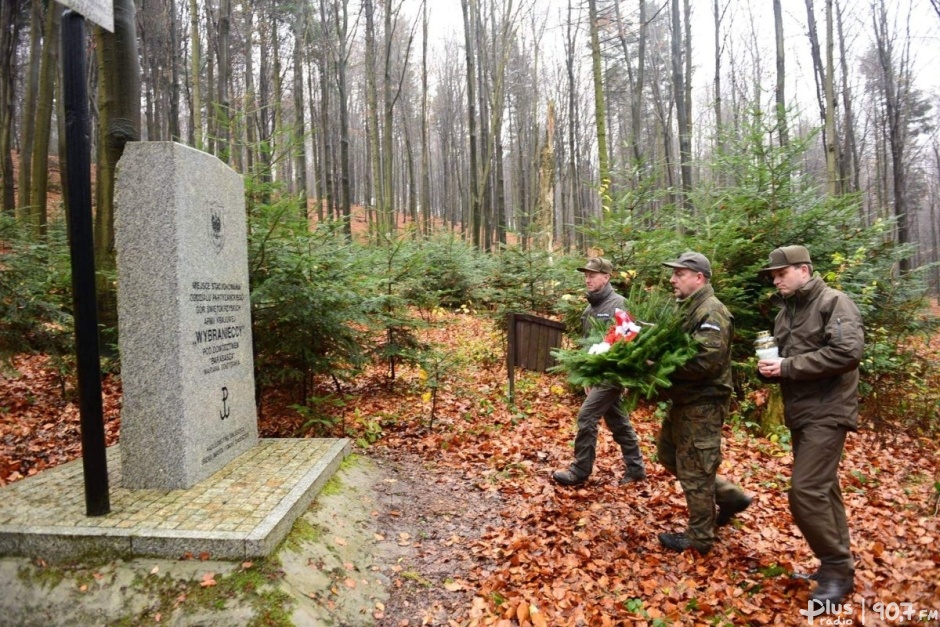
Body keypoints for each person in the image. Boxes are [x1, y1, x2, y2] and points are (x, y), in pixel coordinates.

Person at [757, 245, 863, 606]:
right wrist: (773, 370)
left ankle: (837, 572)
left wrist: (787, 367)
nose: (775, 279)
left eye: (780, 273)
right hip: (801, 411)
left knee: (805, 492)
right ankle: (840, 562)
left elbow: (847, 353)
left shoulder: (833, 302)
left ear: (803, 270)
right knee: (824, 488)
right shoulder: (786, 313)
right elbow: (792, 360)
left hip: (828, 409)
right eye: (773, 275)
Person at [656, 252, 752, 555]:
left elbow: (704, 362)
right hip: (684, 399)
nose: (673, 279)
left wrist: (657, 366)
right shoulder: (689, 308)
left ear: (699, 278)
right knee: (669, 455)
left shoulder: (711, 311)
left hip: (703, 403)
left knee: (696, 468)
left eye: (680, 274)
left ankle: (700, 538)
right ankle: (730, 496)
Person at [552, 257, 647, 487]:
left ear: (607, 277)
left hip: (611, 375)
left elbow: (629, 341)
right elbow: (588, 346)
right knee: (618, 421)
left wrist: (621, 376)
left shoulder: (619, 305)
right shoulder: (589, 308)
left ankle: (580, 471)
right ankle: (636, 469)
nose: (588, 279)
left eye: (593, 275)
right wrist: (588, 376)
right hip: (596, 376)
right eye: (586, 275)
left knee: (586, 417)